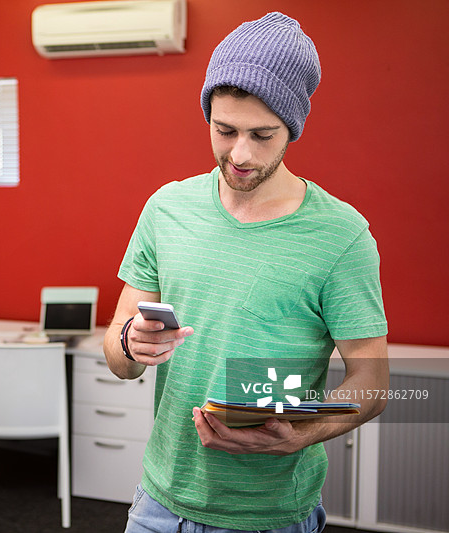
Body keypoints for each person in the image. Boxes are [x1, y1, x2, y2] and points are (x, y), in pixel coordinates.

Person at [103, 12, 389, 533]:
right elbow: (120, 360)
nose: (239, 154)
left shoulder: (341, 236)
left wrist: (304, 431)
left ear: (293, 127)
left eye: (262, 134)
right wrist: (131, 342)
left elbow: (373, 380)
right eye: (225, 130)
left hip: (270, 514)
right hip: (159, 504)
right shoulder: (166, 208)